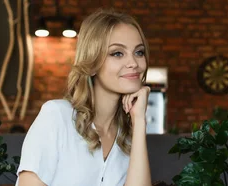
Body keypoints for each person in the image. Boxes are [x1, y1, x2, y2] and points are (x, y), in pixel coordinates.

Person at [16, 8, 152, 186]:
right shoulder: (57, 116)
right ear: (93, 62)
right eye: (117, 53)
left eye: (139, 52)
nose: (133, 63)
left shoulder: (127, 136)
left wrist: (139, 121)